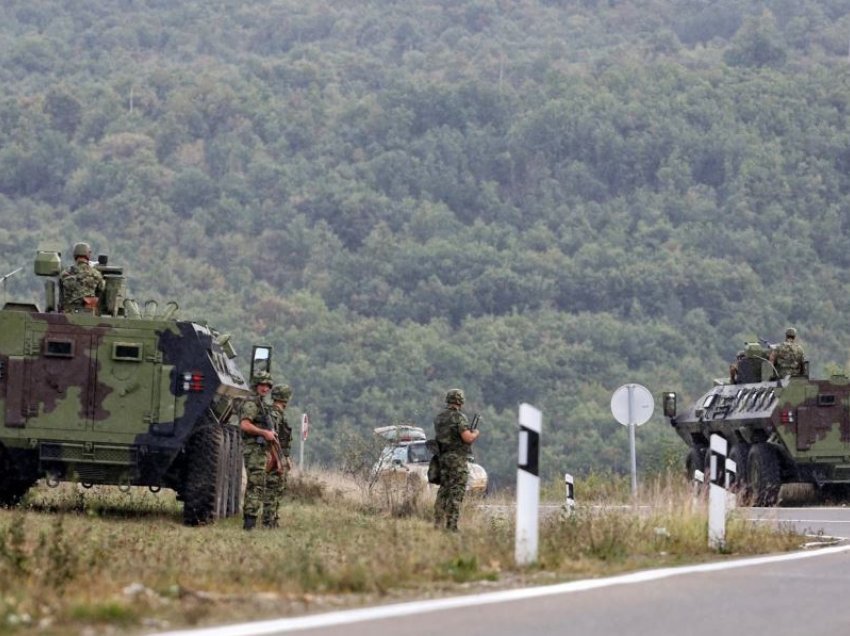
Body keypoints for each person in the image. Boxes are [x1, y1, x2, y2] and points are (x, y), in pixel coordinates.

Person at [433, 388, 479, 532]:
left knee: (444, 490)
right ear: (460, 401)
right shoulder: (459, 417)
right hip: (457, 460)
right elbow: (467, 438)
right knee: (456, 491)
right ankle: (451, 526)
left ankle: (438, 523)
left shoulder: (439, 417)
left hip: (442, 458)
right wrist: (475, 433)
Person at [238, 371, 278, 530]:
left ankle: (251, 523)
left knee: (258, 485)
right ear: (256, 385)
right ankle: (249, 525)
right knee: (255, 485)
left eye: (268, 386)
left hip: (260, 449)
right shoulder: (251, 404)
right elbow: (245, 425)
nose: (265, 388)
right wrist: (264, 433)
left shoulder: (261, 404)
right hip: (253, 449)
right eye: (262, 385)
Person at [266, 384, 294, 528]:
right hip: (275, 457)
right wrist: (277, 460)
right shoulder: (274, 415)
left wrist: (286, 458)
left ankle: (272, 520)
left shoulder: (278, 414)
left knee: (276, 489)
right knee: (272, 489)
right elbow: (273, 439)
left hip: (279, 456)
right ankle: (268, 522)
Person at [60, 242, 104, 313]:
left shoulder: (65, 274)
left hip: (68, 313)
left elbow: (61, 295)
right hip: (89, 313)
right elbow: (101, 291)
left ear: (75, 255)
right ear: (88, 255)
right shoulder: (96, 274)